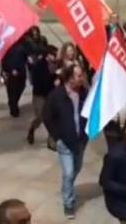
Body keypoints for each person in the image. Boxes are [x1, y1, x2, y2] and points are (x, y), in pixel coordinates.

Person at [43, 64, 88, 220]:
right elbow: (47, 116)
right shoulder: (57, 95)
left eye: (82, 75)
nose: (81, 78)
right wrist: (57, 137)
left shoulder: (84, 94)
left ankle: (66, 188)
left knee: (76, 168)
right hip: (65, 142)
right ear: (69, 78)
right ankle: (69, 203)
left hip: (80, 140)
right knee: (68, 173)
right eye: (78, 76)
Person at [27, 41, 55, 146]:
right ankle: (32, 128)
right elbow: (37, 81)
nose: (54, 57)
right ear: (47, 56)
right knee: (40, 117)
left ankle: (51, 140)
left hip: (50, 95)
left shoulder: (55, 66)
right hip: (39, 95)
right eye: (53, 55)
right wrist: (51, 75)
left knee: (50, 118)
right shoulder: (39, 66)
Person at [1, 36, 29, 118]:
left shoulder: (23, 45)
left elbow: (25, 57)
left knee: (21, 86)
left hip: (21, 70)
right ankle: (14, 108)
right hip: (12, 72)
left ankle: (13, 102)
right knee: (12, 89)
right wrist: (10, 69)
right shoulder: (7, 48)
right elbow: (4, 61)